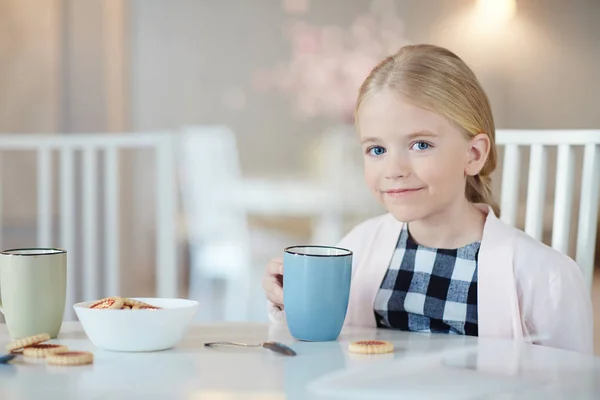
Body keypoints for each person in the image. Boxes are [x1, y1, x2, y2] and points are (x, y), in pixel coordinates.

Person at [262, 44, 593, 354]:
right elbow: (317, 355)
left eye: (420, 145)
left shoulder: (545, 277)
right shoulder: (358, 249)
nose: (394, 169)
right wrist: (288, 302)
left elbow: (570, 384)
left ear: (473, 154)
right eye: (376, 149)